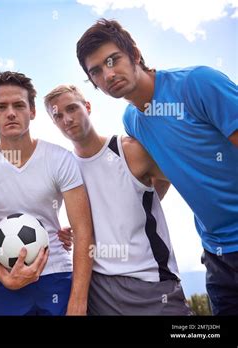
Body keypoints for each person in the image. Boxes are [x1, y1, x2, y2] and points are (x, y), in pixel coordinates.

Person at [76, 19, 238, 315]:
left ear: (135, 54)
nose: (108, 74)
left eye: (113, 60)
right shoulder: (132, 122)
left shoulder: (197, 83)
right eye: (96, 71)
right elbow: (158, 177)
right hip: (217, 253)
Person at [44, 84, 191, 315]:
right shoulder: (66, 168)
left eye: (72, 108)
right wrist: (73, 229)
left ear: (88, 107)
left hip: (151, 280)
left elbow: (173, 174)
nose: (67, 119)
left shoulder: (128, 150)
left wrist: (145, 201)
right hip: (100, 287)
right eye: (58, 115)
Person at [0, 71, 93, 316]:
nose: (10, 113)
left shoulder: (60, 159)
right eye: (1, 107)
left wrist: (78, 299)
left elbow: (84, 230)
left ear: (32, 111)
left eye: (19, 105)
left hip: (58, 276)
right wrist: (4, 276)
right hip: (7, 280)